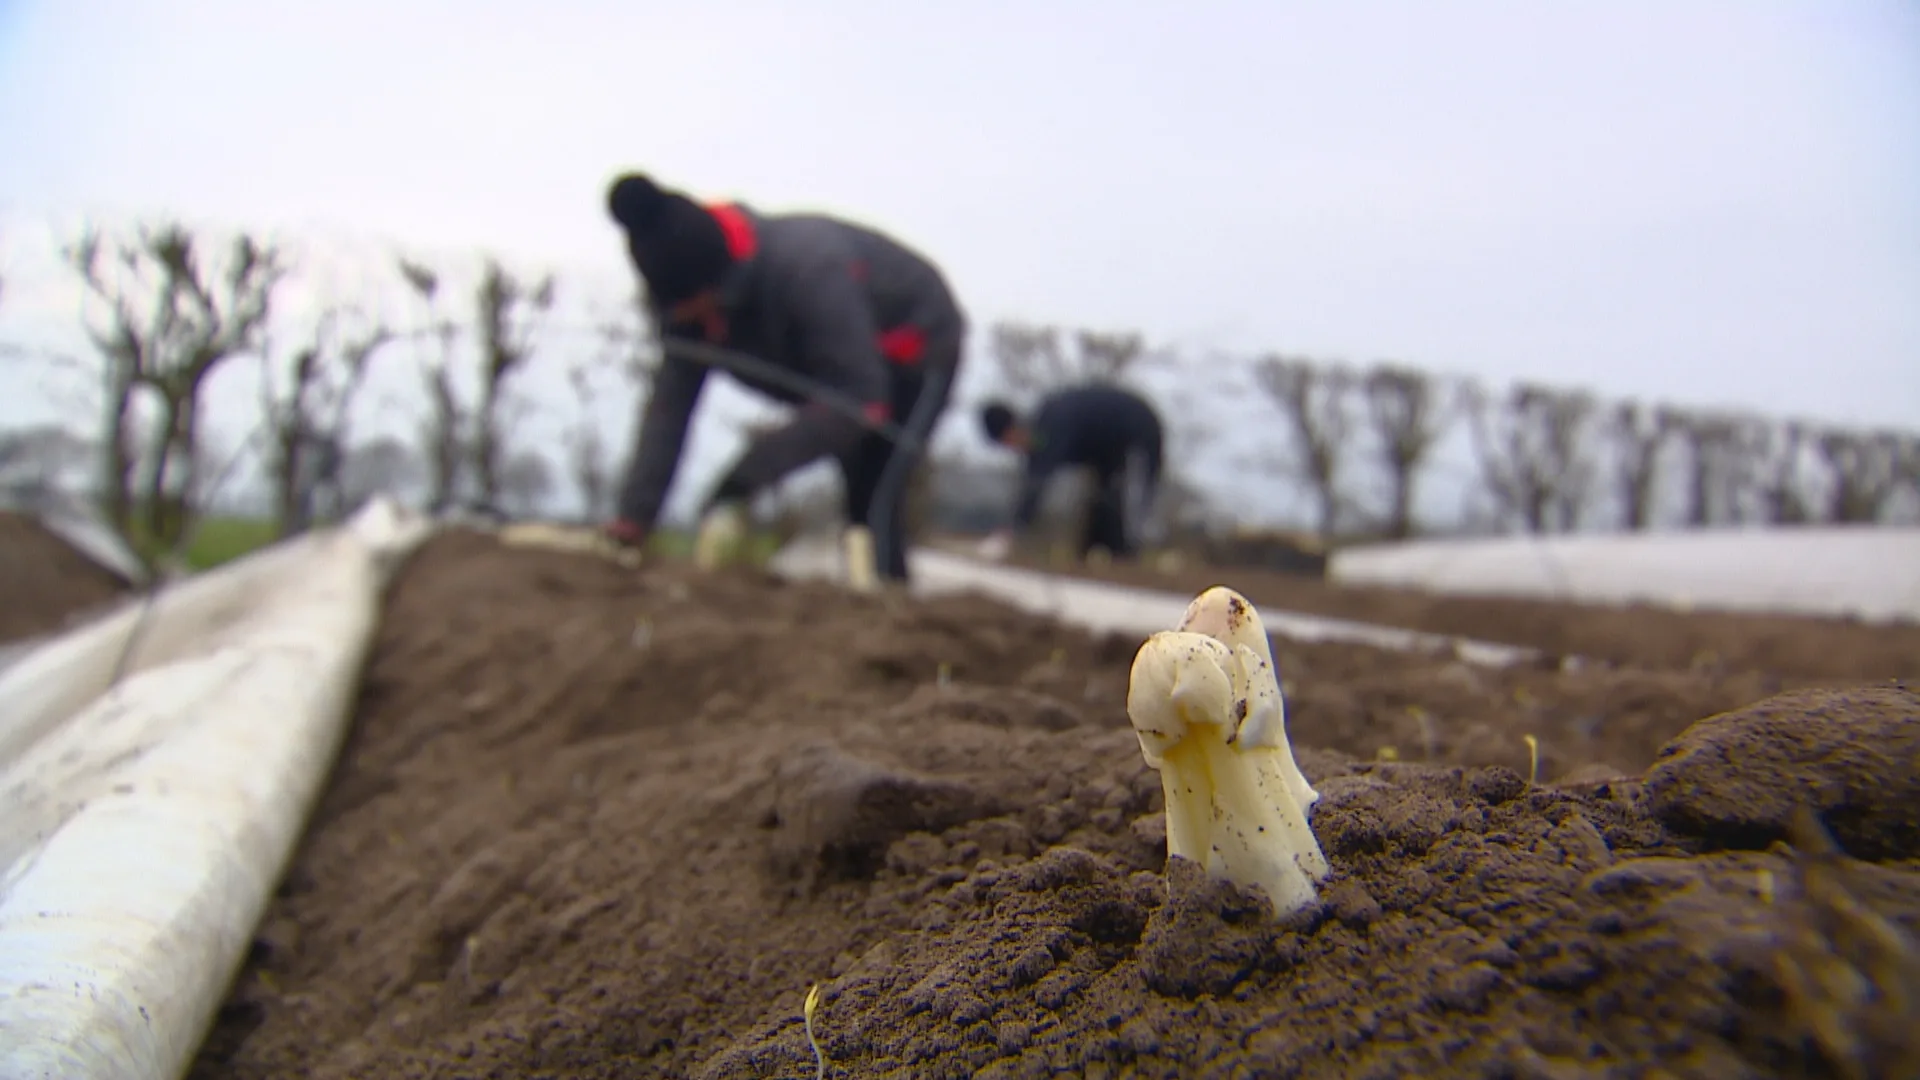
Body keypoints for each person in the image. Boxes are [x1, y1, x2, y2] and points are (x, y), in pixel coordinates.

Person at [600, 172, 966, 584]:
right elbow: (669, 411)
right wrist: (634, 517)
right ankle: (869, 606)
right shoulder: (685, 311)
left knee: (874, 494)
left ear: (718, 283)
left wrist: (745, 478)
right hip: (834, 375)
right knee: (857, 496)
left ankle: (888, 612)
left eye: (700, 312)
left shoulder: (807, 268)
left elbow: (861, 399)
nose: (701, 327)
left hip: (913, 347)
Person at [976, 383, 1165, 562]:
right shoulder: (1040, 434)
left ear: (1013, 428)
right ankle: (1107, 552)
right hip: (1105, 446)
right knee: (1103, 497)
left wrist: (1011, 533)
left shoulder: (1050, 425)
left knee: (1132, 503)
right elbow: (1032, 478)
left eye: (1009, 442)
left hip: (1138, 429)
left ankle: (1134, 556)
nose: (1014, 449)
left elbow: (1038, 483)